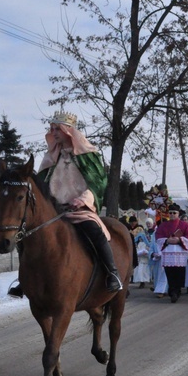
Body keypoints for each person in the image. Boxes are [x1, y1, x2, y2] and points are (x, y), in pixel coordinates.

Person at [33, 110, 123, 293]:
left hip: (79, 209)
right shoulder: (51, 157)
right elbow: (41, 184)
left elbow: (98, 183)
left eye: (57, 129)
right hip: (54, 212)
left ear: (67, 130)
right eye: (52, 129)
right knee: (30, 235)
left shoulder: (87, 155)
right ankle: (26, 278)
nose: (54, 133)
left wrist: (82, 200)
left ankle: (112, 273)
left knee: (95, 231)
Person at [154, 203, 188, 303]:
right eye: (170, 213)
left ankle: (177, 290)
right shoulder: (163, 225)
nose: (172, 215)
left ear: (178, 214)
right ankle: (172, 290)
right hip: (168, 252)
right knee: (170, 272)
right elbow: (158, 236)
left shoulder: (185, 225)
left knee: (179, 273)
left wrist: (179, 240)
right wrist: (167, 240)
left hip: (180, 252)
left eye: (174, 213)